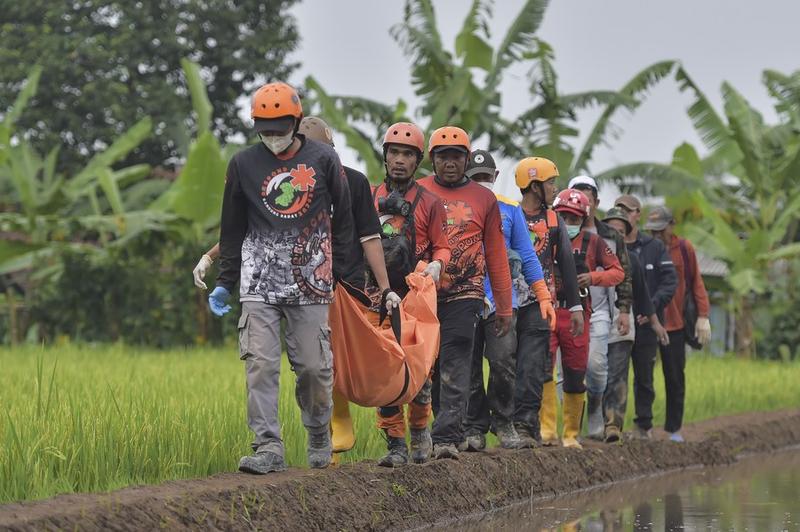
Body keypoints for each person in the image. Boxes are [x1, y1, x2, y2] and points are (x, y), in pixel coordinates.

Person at [192, 116, 397, 457]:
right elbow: (248, 227)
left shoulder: (353, 182)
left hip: (333, 285)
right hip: (268, 285)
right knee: (262, 364)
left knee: (321, 365)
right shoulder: (273, 177)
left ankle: (328, 428)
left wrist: (383, 286)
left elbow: (368, 235)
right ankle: (269, 446)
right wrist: (212, 259)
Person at [208, 82, 358, 474]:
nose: (273, 136)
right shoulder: (243, 164)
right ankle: (267, 446)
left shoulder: (324, 160)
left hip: (311, 282)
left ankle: (318, 430)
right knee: (260, 364)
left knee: (312, 367)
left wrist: (341, 271)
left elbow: (343, 219)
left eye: (280, 127)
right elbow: (232, 227)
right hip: (258, 283)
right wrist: (226, 280)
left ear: (295, 122)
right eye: (265, 128)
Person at [418, 126, 513, 460]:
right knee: (431, 365)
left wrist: (504, 306)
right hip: (425, 293)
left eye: (457, 157)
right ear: (432, 159)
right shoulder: (418, 192)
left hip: (467, 292)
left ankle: (445, 436)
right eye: (443, 157)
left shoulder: (484, 199)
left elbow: (497, 255)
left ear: (466, 159)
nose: (450, 164)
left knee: (457, 361)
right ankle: (444, 427)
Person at [463, 149, 556, 451]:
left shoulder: (510, 209)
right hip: (465, 298)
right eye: (475, 178)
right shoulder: (457, 207)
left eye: (486, 178)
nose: (481, 183)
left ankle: (504, 422)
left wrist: (542, 294)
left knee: (503, 362)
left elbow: (528, 255)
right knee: (469, 366)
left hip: (502, 300)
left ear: (496, 178)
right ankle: (474, 427)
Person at [370, 122, 451, 467]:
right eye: (394, 153)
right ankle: (394, 444)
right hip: (375, 294)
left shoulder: (430, 203)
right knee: (383, 371)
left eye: (407, 154)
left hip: (415, 296)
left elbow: (444, 248)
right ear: (385, 157)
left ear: (417, 161)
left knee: (419, 370)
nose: (400, 160)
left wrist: (436, 266)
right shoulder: (369, 197)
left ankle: (419, 429)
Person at [513, 157, 584, 447]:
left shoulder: (553, 219)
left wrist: (576, 306)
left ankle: (528, 427)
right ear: (533, 185)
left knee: (534, 367)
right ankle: (505, 423)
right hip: (510, 302)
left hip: (541, 305)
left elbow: (567, 263)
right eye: (550, 182)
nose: (555, 188)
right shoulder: (510, 214)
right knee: (506, 364)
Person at [550, 189, 624, 448]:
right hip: (548, 310)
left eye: (574, 219)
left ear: (583, 219)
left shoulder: (594, 242)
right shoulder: (545, 238)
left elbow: (617, 272)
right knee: (545, 371)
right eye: (564, 217)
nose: (568, 224)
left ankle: (575, 429)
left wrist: (593, 277)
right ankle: (546, 431)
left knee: (581, 370)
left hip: (580, 313)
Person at [567, 176, 634, 440]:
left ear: (595, 202)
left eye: (588, 200)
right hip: (566, 309)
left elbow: (623, 274)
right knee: (568, 372)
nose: (583, 206)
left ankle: (596, 407)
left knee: (596, 366)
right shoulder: (558, 230)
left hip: (599, 310)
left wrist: (624, 309)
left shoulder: (610, 237)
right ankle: (569, 430)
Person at [601, 207, 669, 442]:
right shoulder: (591, 252)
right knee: (596, 374)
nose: (616, 234)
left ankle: (613, 425)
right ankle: (592, 424)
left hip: (622, 321)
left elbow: (643, 295)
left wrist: (656, 323)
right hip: (594, 321)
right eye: (611, 229)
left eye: (621, 231)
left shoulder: (634, 260)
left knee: (618, 375)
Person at [614, 194, 677, 440]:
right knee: (614, 375)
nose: (624, 215)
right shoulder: (608, 244)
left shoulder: (654, 247)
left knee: (644, 377)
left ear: (637, 214)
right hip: (617, 321)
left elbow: (670, 282)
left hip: (647, 323)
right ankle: (612, 426)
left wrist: (650, 309)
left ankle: (643, 425)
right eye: (619, 210)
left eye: (628, 211)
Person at [646, 205, 711, 442]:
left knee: (674, 377)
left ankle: (673, 429)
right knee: (644, 378)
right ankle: (644, 426)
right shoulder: (645, 248)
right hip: (647, 322)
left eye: (660, 231)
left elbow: (697, 284)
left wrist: (703, 316)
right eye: (652, 231)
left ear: (671, 226)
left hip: (675, 324)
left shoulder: (684, 249)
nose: (656, 236)